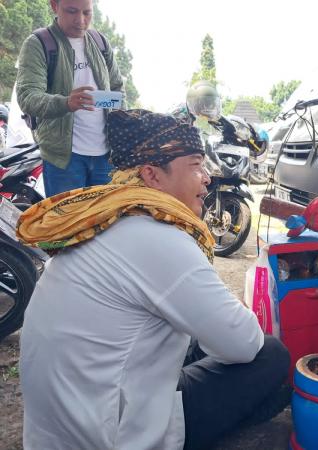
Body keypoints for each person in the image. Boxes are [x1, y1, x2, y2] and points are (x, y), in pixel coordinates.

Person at [17, 110, 290, 450]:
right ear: (152, 175)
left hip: (61, 426)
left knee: (194, 338)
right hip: (110, 434)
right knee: (273, 357)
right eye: (196, 165)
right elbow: (245, 343)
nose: (207, 177)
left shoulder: (108, 218)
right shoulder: (160, 238)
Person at [16, 0, 123, 197]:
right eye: (72, 11)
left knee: (105, 224)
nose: (80, 21)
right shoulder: (38, 43)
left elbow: (117, 89)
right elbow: (27, 96)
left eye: (87, 13)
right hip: (63, 160)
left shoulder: (100, 41)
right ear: (54, 6)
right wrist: (66, 103)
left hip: (105, 158)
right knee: (67, 225)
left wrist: (119, 118)